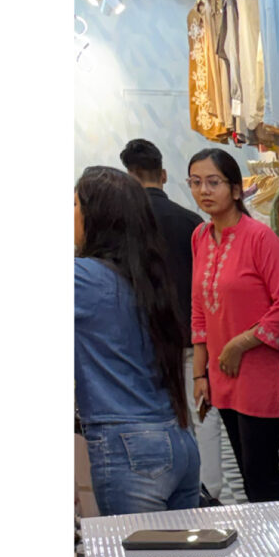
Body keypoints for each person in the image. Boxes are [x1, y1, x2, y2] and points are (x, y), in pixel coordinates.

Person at [74, 166, 202, 514]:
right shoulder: (147, 275)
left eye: (74, 205)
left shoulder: (85, 279)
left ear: (95, 216)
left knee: (138, 552)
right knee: (180, 551)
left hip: (130, 448)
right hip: (177, 438)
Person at [185, 147, 279, 503]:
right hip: (224, 376)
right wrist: (200, 374)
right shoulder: (200, 237)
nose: (204, 191)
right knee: (250, 478)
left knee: (262, 476)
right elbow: (199, 310)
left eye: (213, 182)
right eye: (195, 182)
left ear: (236, 189)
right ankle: (267, 539)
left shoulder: (260, 238)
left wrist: (239, 344)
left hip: (264, 375)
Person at [119, 138, 201, 333]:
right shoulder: (193, 222)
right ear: (163, 175)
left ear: (129, 181)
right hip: (189, 332)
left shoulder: (120, 223)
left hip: (140, 332)